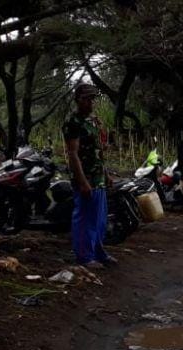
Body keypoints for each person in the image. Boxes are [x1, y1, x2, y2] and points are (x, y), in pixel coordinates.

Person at [63, 83, 116, 269]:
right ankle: (84, 257)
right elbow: (73, 154)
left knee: (99, 220)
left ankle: (98, 252)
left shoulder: (93, 121)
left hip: (98, 178)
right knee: (85, 219)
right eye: (87, 99)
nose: (91, 102)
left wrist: (107, 174)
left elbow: (99, 152)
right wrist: (83, 182)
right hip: (85, 180)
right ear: (78, 99)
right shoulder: (73, 123)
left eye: (93, 99)